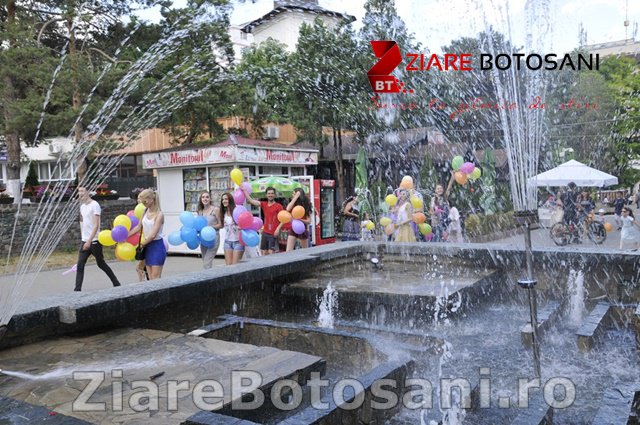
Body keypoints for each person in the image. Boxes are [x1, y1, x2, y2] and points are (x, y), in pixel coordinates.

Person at [74, 186, 121, 292]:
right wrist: (83, 239)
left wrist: (89, 241)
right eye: (79, 191)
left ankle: (116, 283)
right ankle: (77, 290)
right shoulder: (82, 207)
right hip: (85, 241)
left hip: (94, 241)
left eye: (82, 191)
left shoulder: (95, 205)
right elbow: (82, 223)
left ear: (88, 192)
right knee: (80, 265)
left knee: (101, 264)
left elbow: (95, 225)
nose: (80, 193)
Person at [128, 189, 166, 280]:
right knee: (150, 277)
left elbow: (153, 235)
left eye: (144, 201)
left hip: (157, 246)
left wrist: (142, 244)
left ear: (151, 200)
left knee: (155, 277)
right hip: (147, 247)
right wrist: (126, 235)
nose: (143, 203)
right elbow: (138, 227)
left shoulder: (159, 214)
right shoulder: (145, 211)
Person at [243, 186, 283, 255]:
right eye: (269, 193)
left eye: (272, 193)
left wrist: (278, 229)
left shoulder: (279, 206)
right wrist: (244, 191)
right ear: (266, 195)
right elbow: (251, 201)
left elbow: (283, 219)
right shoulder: (264, 204)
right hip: (265, 232)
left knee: (272, 253)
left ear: (274, 195)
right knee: (264, 252)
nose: (270, 195)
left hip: (273, 233)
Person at [216, 192, 244, 264]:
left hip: (238, 242)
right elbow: (221, 225)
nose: (224, 201)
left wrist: (241, 227)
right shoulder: (223, 213)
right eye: (223, 199)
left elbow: (245, 224)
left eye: (226, 199)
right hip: (227, 242)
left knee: (235, 266)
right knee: (228, 266)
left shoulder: (237, 211)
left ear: (230, 200)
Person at [197, 191, 220, 269]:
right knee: (205, 261)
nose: (205, 199)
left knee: (207, 263)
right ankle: (209, 277)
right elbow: (199, 225)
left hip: (213, 238)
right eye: (203, 197)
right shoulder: (200, 211)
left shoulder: (216, 209)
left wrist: (210, 227)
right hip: (203, 239)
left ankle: (209, 279)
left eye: (207, 197)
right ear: (201, 199)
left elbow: (221, 225)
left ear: (210, 199)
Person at [429, 176, 454, 242]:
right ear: (435, 190)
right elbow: (430, 212)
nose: (439, 190)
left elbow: (449, 187)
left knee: (444, 240)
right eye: (438, 189)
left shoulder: (445, 197)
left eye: (441, 188)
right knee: (436, 239)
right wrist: (436, 212)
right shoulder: (433, 199)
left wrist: (452, 177)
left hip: (445, 223)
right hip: (436, 223)